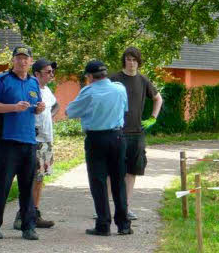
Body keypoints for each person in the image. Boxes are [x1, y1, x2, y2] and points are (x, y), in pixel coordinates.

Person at [0, 45, 45, 241]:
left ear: (30, 61)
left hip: (29, 141)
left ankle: (28, 226)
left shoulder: (34, 83)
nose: (22, 61)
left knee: (27, 186)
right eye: (19, 58)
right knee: (2, 185)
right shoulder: (2, 80)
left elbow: (36, 106)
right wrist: (13, 107)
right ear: (13, 60)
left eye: (25, 58)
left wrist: (39, 109)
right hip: (7, 141)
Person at [67, 60, 130, 236]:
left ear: (89, 76)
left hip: (96, 139)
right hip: (117, 137)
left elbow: (71, 111)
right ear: (105, 73)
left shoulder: (89, 91)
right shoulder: (120, 89)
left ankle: (103, 225)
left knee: (99, 182)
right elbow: (125, 109)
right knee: (119, 181)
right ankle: (124, 224)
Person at [109, 47, 162, 220]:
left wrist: (153, 117)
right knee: (113, 171)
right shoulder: (114, 79)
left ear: (139, 62)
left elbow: (157, 98)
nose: (131, 63)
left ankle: (125, 207)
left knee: (132, 171)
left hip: (137, 133)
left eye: (134, 60)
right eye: (128, 59)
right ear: (124, 60)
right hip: (116, 131)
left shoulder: (143, 80)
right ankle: (106, 207)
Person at [14, 58, 57, 231]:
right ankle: (22, 215)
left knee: (40, 179)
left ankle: (34, 213)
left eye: (52, 71)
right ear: (37, 73)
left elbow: (56, 105)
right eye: (48, 72)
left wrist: (49, 116)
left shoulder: (47, 90)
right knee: (29, 179)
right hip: (34, 139)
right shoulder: (30, 89)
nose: (51, 74)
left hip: (46, 140)